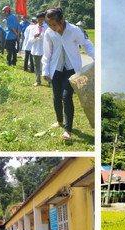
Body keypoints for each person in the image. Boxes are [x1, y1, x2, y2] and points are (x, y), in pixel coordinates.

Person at [41, 7, 95, 140]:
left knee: (66, 96)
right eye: (50, 25)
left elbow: (86, 44)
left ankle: (67, 130)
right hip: (56, 68)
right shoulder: (49, 33)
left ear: (62, 20)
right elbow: (47, 53)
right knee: (56, 97)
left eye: (55, 24)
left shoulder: (74, 31)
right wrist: (45, 70)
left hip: (71, 68)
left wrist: (96, 57)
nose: (53, 27)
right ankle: (59, 120)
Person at [29, 12, 47, 86]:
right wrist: (35, 37)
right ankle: (38, 81)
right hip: (36, 49)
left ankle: (49, 80)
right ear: (37, 19)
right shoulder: (33, 28)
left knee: (46, 65)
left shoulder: (47, 28)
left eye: (41, 19)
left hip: (44, 50)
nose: (40, 21)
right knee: (37, 65)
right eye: (39, 19)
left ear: (44, 19)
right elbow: (30, 40)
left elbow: (48, 39)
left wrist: (41, 37)